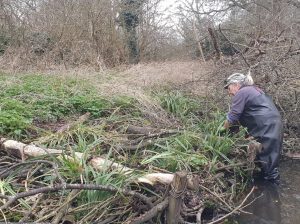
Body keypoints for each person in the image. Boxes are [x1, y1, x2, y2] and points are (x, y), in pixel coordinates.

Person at [223, 72, 283, 182]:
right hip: (274, 122)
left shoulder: (242, 92)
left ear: (236, 85)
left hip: (265, 125)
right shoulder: (255, 90)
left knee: (268, 164)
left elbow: (233, 116)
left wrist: (222, 130)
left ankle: (271, 193)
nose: (229, 92)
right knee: (270, 157)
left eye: (229, 87)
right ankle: (268, 187)